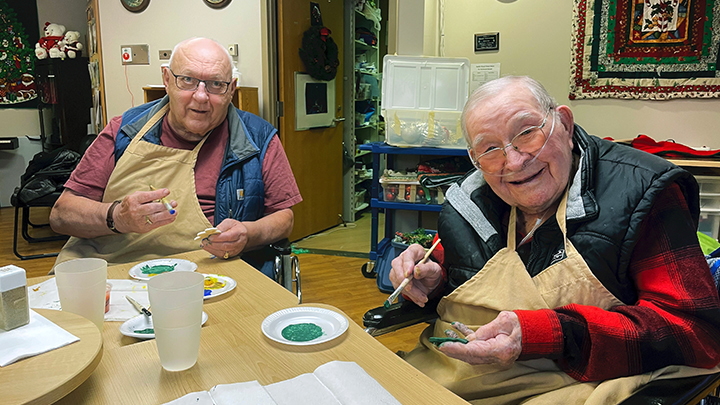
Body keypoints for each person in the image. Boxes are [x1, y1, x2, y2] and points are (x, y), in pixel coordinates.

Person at [390, 76, 720, 404]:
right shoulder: (470, 199)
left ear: (563, 122)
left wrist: (549, 333)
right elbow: (453, 271)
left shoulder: (643, 193)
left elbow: (695, 333)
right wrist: (429, 281)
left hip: (573, 384)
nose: (514, 162)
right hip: (451, 374)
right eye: (490, 149)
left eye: (526, 133)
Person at [49, 37, 302, 277]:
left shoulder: (258, 138)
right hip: (115, 269)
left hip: (208, 274)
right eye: (187, 80)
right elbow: (61, 216)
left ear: (231, 89)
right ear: (167, 80)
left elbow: (284, 218)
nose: (201, 96)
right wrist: (117, 217)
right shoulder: (125, 130)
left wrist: (248, 233)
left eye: (216, 84)